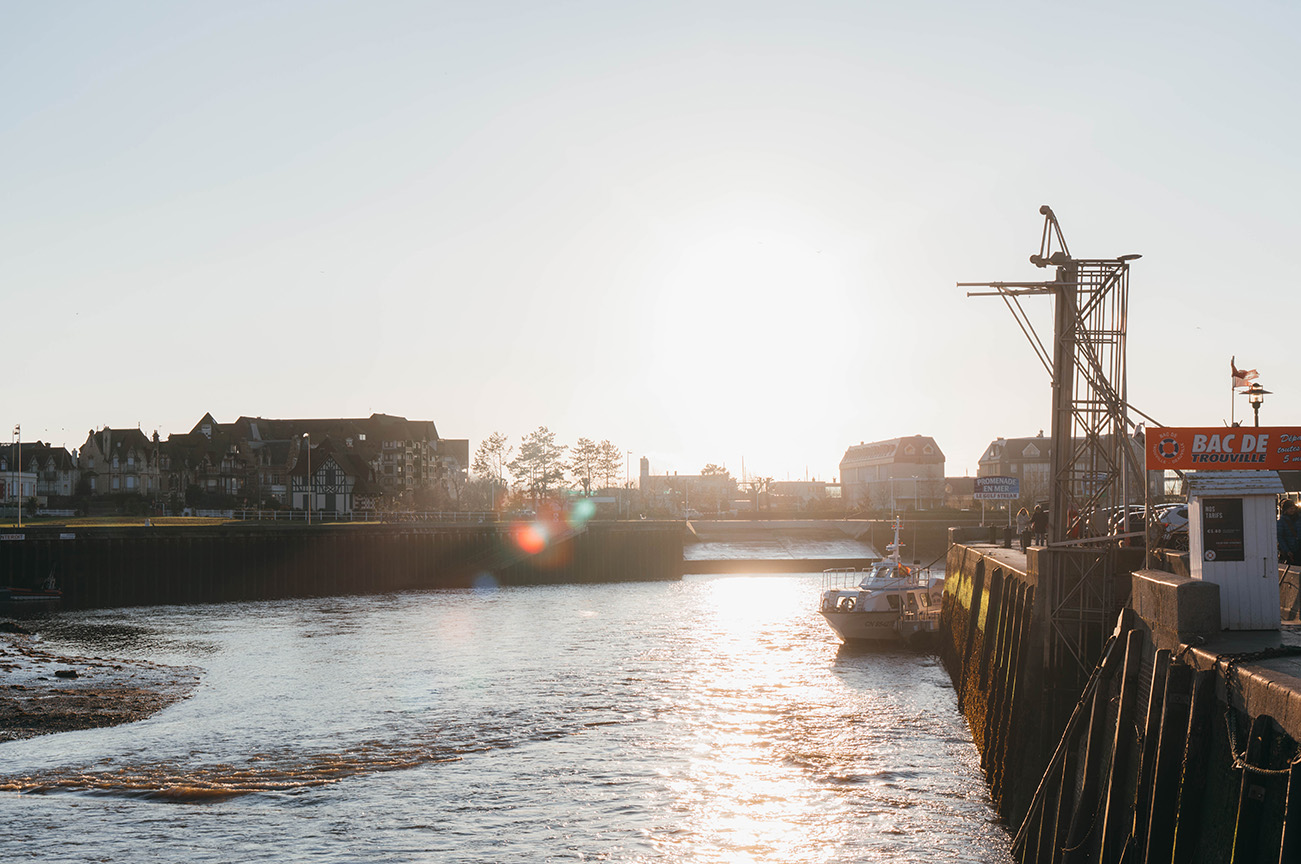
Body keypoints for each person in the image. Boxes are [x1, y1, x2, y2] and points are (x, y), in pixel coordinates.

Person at [1279, 501, 1301, 566]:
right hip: (1291, 550)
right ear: (1286, 510)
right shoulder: (1282, 521)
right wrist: (1287, 550)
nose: (1292, 510)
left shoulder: (1298, 518)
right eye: (1290, 508)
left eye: (1293, 508)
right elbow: (1280, 537)